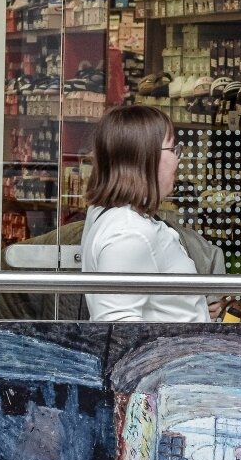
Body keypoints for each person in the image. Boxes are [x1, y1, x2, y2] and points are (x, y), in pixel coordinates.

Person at [80, 105, 211, 323]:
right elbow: (118, 327)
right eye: (172, 150)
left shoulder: (116, 218)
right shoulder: (129, 234)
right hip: (172, 355)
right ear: (145, 156)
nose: (178, 160)